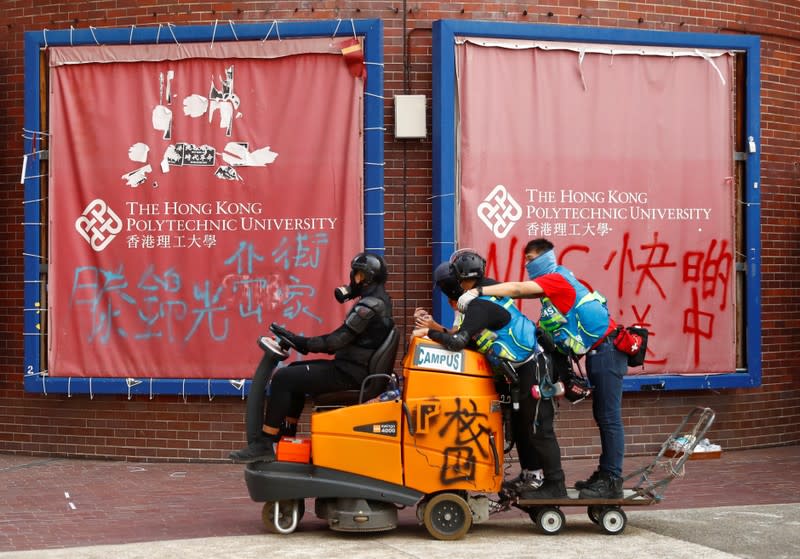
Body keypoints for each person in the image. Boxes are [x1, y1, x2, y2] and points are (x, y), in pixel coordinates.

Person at [458, 238, 627, 499]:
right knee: (604, 417)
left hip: (607, 351)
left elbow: (517, 289)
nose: (526, 264)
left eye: (530, 258)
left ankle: (612, 479)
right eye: (524, 259)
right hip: (601, 352)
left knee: (608, 418)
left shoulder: (556, 278)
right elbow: (528, 294)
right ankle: (606, 474)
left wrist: (479, 291)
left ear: (545, 257)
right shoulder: (555, 283)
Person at [413, 251, 567, 500]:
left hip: (534, 366)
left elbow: (458, 341)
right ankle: (532, 475)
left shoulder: (478, 305)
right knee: (520, 424)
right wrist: (436, 328)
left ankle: (555, 485)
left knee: (539, 427)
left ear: (460, 279)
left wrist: (428, 335)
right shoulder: (490, 288)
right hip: (523, 367)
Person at [229, 252, 395, 463]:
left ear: (365, 278)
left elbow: (334, 342)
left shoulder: (368, 307)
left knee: (283, 379)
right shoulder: (379, 302)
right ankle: (286, 439)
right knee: (292, 375)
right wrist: (297, 341)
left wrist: (300, 342)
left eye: (357, 275)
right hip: (354, 369)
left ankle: (263, 444)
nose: (353, 280)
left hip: (350, 374)